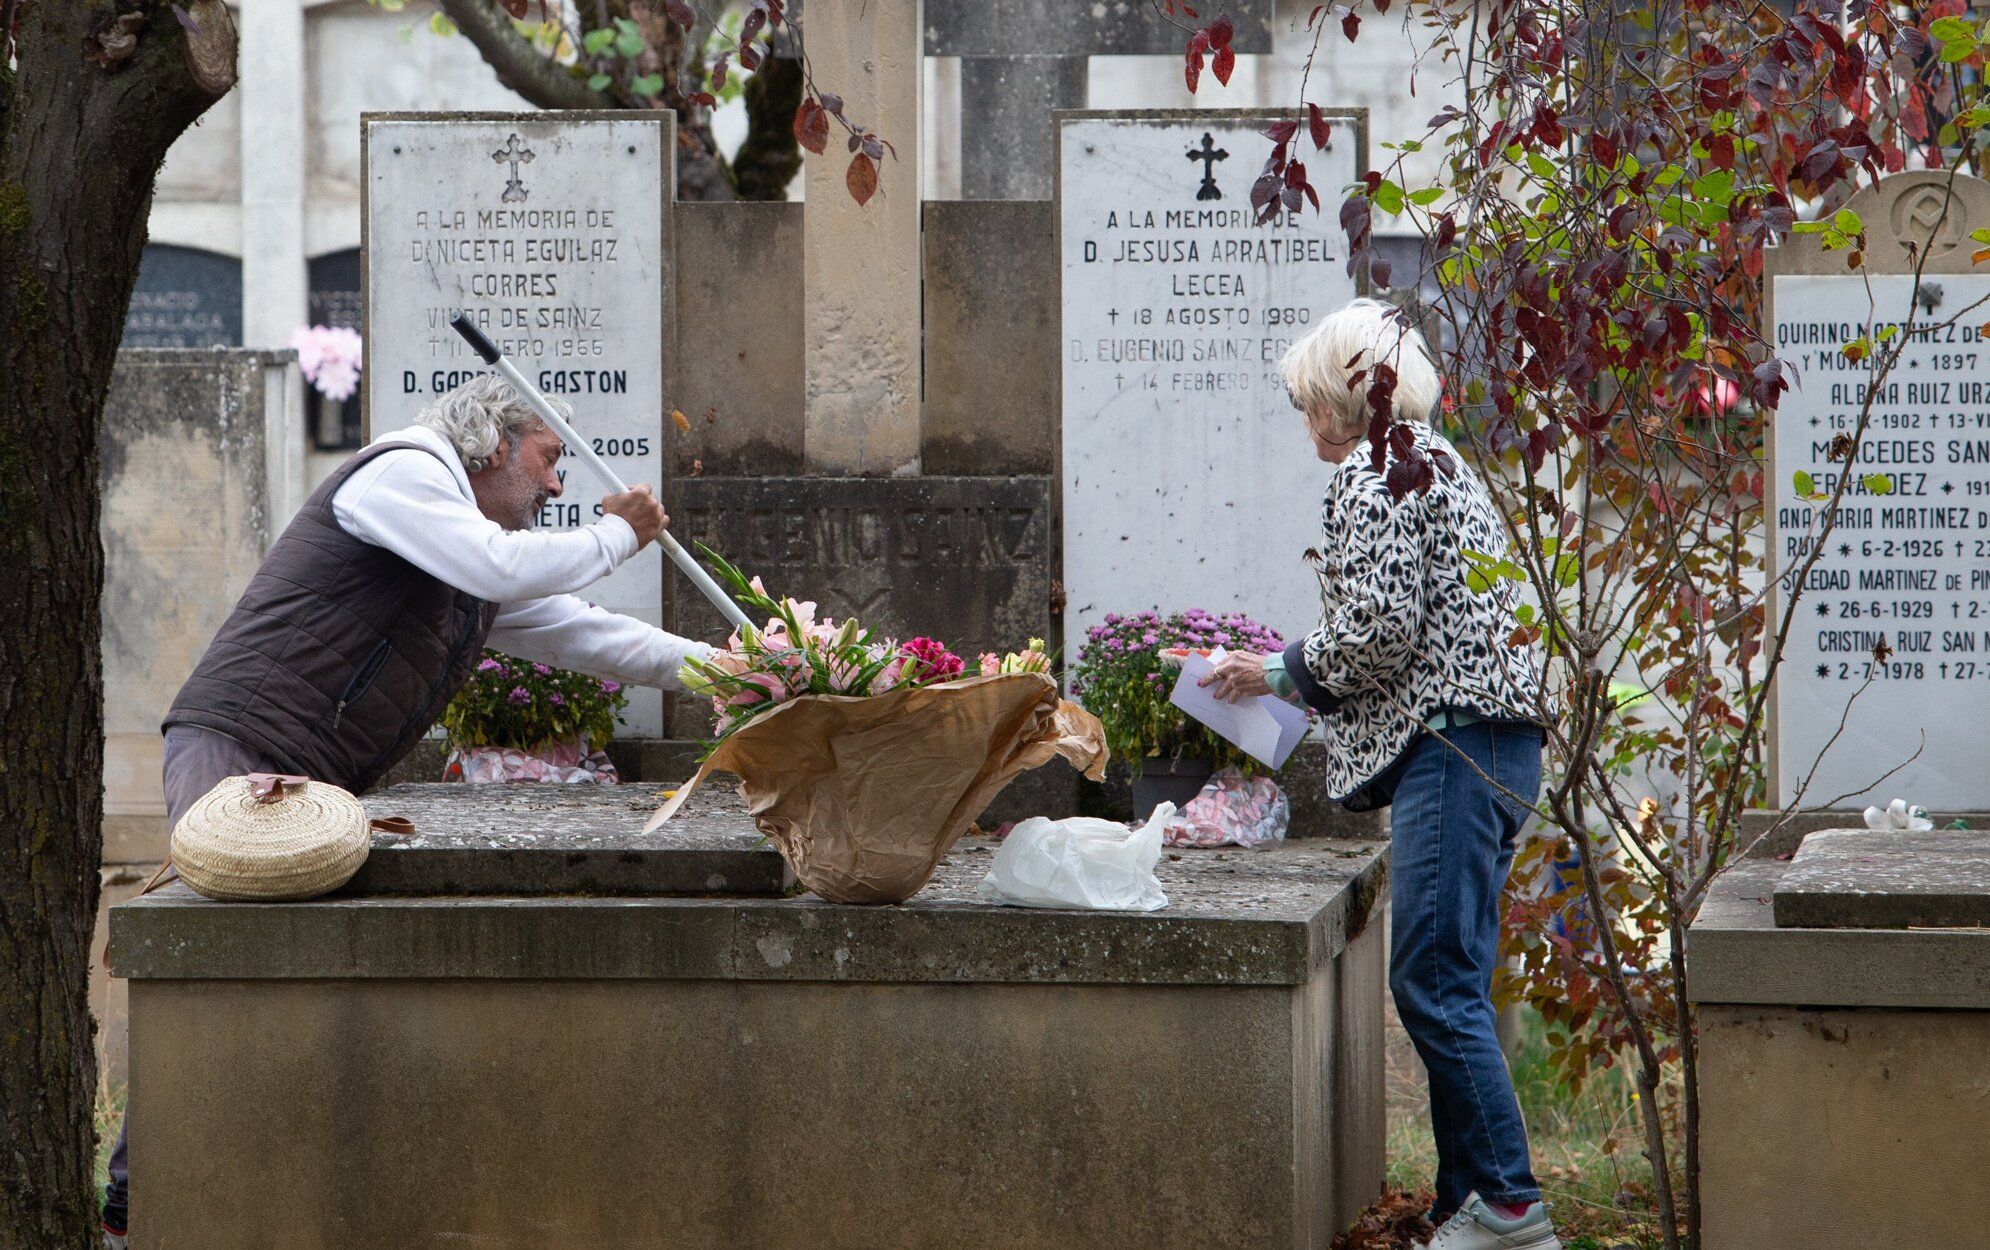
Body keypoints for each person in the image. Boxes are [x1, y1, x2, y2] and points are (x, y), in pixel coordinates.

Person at [101, 374, 716, 1248]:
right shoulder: (404, 474)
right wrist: (619, 532)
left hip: (316, 780)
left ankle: (248, 1199)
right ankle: (137, 1211)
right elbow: (503, 566)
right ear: (495, 443)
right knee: (220, 974)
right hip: (241, 751)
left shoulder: (469, 556)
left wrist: (734, 672)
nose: (556, 486)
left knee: (277, 994)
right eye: (548, 460)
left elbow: (593, 635)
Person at [1199, 299, 1557, 1250]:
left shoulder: (1377, 469)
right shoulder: (1443, 461)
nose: (1307, 422)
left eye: (1309, 402)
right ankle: (1463, 1205)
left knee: (1430, 981)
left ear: (1342, 399)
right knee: (1458, 979)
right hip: (1500, 743)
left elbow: (1379, 629)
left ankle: (1512, 1208)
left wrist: (1274, 671)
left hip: (1454, 745)